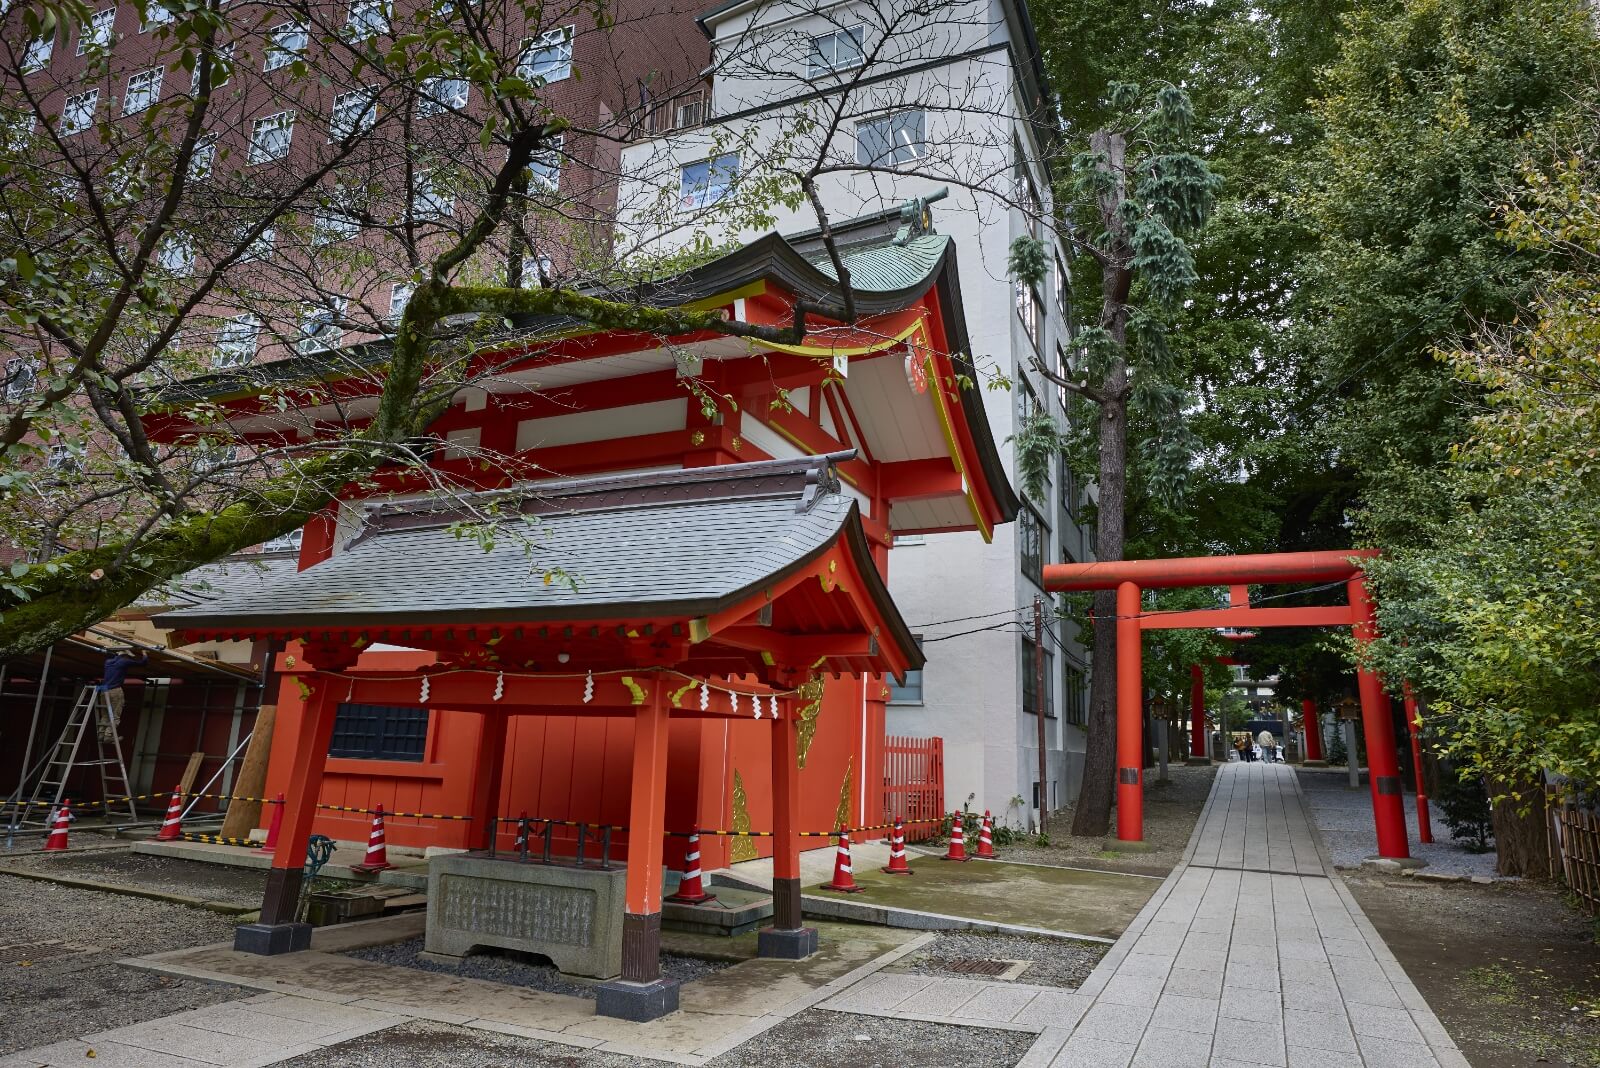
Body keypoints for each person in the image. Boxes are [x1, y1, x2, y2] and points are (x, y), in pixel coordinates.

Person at [96, 648, 148, 743]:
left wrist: (127, 654)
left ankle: (101, 733)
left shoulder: (108, 662)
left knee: (105, 713)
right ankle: (108, 735)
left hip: (103, 691)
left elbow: (118, 658)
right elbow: (142, 663)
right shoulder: (124, 661)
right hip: (115, 690)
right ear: (125, 655)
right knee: (115, 714)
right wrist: (144, 653)